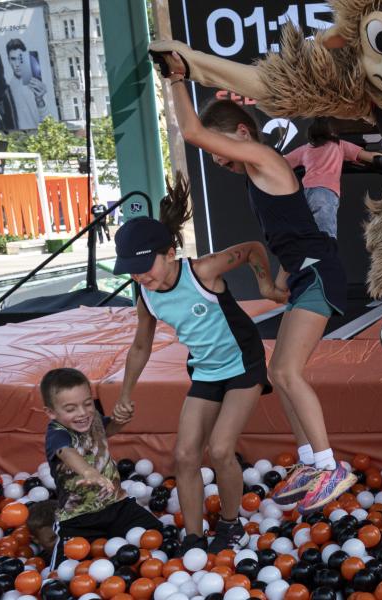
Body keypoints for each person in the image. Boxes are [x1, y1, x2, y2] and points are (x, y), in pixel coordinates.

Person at [159, 52, 357, 514]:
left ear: (242, 135)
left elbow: (192, 132)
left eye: (219, 150)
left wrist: (175, 79)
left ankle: (329, 467)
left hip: (321, 273)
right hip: (306, 272)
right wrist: (277, 283)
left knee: (287, 372)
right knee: (278, 373)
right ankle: (309, 460)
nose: (217, 161)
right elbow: (292, 236)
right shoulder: (257, 176)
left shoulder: (265, 157)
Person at [113, 175, 286, 553]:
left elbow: (254, 248)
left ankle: (230, 525)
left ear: (170, 252)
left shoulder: (203, 271)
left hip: (244, 365)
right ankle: (193, 538)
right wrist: (125, 394)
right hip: (206, 371)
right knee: (185, 455)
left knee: (222, 449)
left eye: (146, 266)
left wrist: (266, 286)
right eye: (132, 269)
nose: (141, 276)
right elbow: (141, 346)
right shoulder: (145, 293)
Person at [41, 367, 162, 564]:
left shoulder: (93, 418)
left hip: (117, 506)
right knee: (65, 572)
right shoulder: (57, 434)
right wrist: (88, 471)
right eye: (70, 409)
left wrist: (121, 421)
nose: (82, 413)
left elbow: (107, 430)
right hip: (78, 519)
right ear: (51, 412)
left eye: (87, 404)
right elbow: (66, 451)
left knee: (161, 538)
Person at [283, 117, 381, 239]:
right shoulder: (339, 145)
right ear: (331, 132)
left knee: (308, 237)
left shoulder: (306, 148)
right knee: (326, 236)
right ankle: (324, 257)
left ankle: (312, 257)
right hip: (325, 192)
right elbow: (370, 156)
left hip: (306, 194)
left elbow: (282, 162)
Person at [6, 38, 45, 130]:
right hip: (18, 137)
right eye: (13, 59)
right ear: (9, 60)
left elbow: (48, 117)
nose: (17, 64)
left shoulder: (37, 82)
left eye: (20, 58)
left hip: (41, 134)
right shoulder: (7, 89)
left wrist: (40, 101)